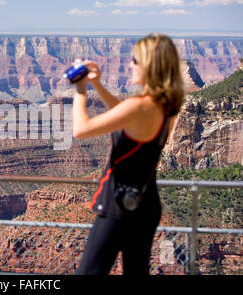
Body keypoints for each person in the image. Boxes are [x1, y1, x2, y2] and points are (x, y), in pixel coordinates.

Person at [72, 33, 185, 275]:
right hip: (146, 204)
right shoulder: (165, 106)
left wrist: (80, 90)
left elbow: (80, 130)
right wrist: (98, 85)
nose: (129, 64)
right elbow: (125, 114)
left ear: (151, 65)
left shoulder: (141, 106)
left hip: (118, 206)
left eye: (135, 59)